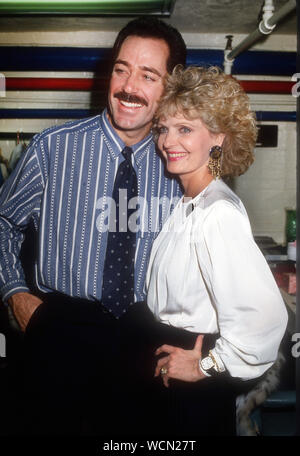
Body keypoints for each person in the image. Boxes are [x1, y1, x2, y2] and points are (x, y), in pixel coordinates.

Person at [0, 17, 186, 435]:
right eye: (121, 69)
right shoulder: (53, 148)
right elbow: (2, 222)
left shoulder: (181, 162)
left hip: (146, 337)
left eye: (147, 75)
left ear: (170, 87)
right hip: (60, 328)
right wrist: (15, 295)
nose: (128, 86)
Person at [145, 65, 288, 435]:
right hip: (171, 367)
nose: (167, 141)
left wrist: (204, 366)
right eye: (164, 128)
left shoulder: (216, 212)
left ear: (218, 139)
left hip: (193, 380)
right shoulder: (192, 202)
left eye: (185, 129)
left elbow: (263, 322)